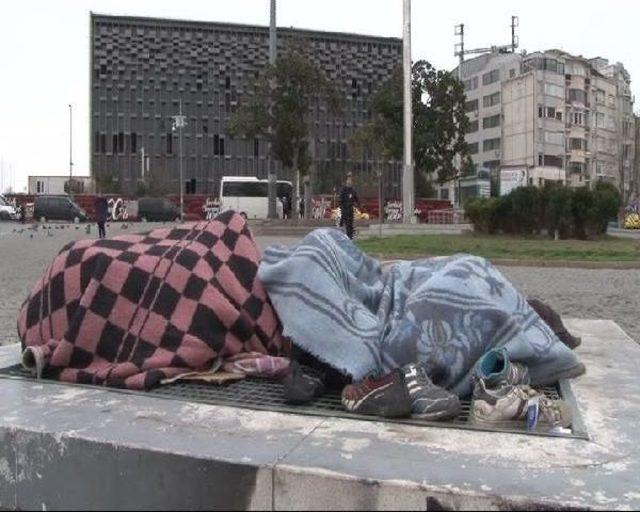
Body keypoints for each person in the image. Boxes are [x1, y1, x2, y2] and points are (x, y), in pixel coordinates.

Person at [339, 172, 359, 239]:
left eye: (351, 180)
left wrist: (359, 204)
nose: (350, 181)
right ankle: (348, 235)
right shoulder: (344, 190)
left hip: (350, 209)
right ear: (346, 181)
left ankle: (350, 236)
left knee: (350, 223)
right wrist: (342, 208)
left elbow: (356, 198)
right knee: (346, 223)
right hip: (345, 209)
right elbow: (341, 199)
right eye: (348, 180)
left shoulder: (353, 190)